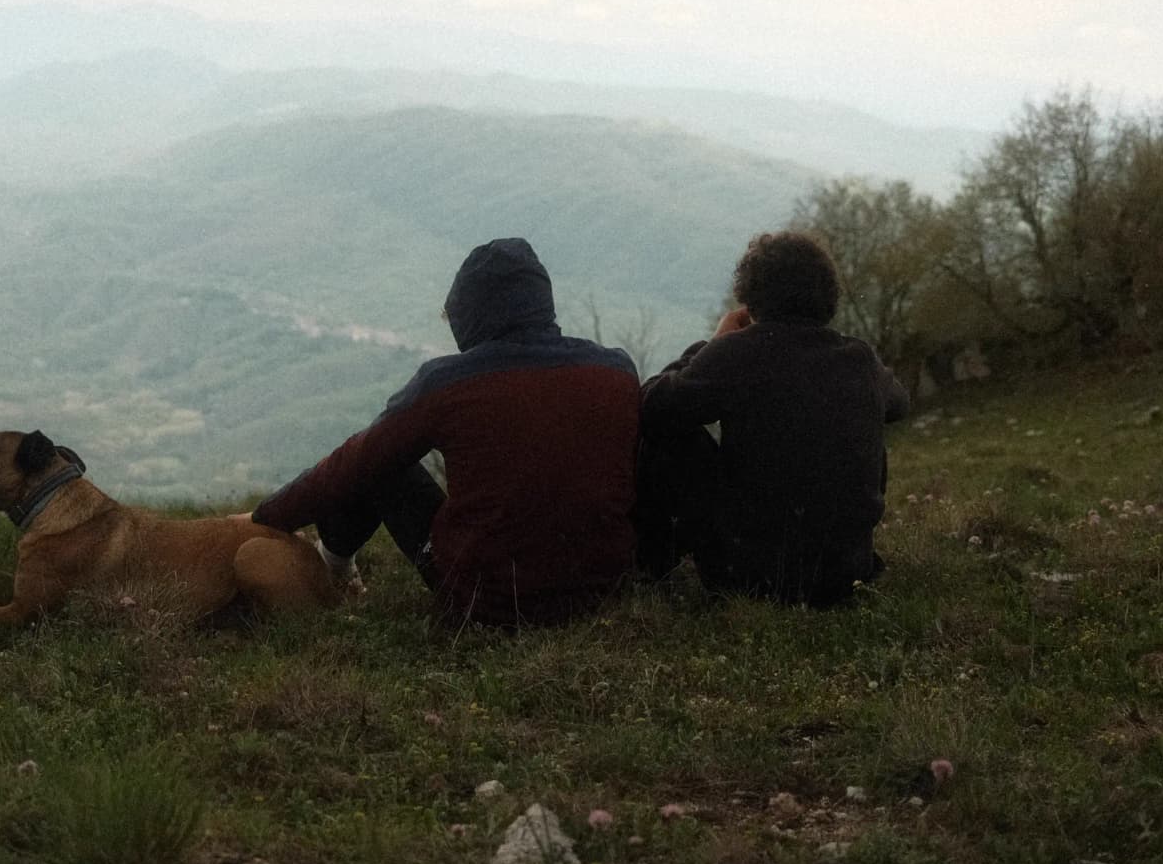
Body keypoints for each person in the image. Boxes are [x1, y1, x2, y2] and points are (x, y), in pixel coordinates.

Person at [248, 237, 639, 627]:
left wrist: (267, 516)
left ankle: (331, 567)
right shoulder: (616, 372)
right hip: (603, 591)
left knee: (383, 463)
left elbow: (353, 463)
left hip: (487, 601)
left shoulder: (450, 383)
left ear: (470, 315)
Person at [635, 230, 907, 606]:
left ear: (750, 299)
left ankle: (653, 568)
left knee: (670, 436)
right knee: (863, 421)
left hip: (749, 578)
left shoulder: (736, 354)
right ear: (828, 296)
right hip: (848, 573)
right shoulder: (860, 360)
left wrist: (710, 346)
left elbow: (652, 407)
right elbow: (899, 404)